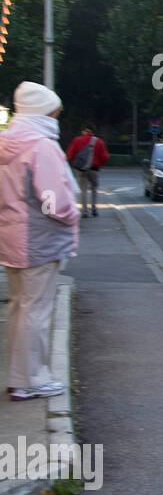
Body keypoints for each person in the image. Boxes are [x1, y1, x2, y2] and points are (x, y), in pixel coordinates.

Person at [0, 82, 79, 401]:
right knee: (36, 310)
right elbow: (54, 201)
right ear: (45, 112)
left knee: (20, 308)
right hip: (39, 239)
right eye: (55, 111)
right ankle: (30, 380)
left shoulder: (6, 142)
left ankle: (20, 376)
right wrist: (71, 213)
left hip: (12, 238)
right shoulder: (41, 146)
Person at [65, 123, 109, 217]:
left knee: (83, 190)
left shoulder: (77, 140)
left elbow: (70, 155)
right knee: (94, 188)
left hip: (81, 169)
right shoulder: (99, 141)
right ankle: (94, 209)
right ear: (92, 131)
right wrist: (100, 164)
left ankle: (84, 211)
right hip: (94, 169)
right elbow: (105, 156)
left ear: (83, 131)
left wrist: (75, 162)